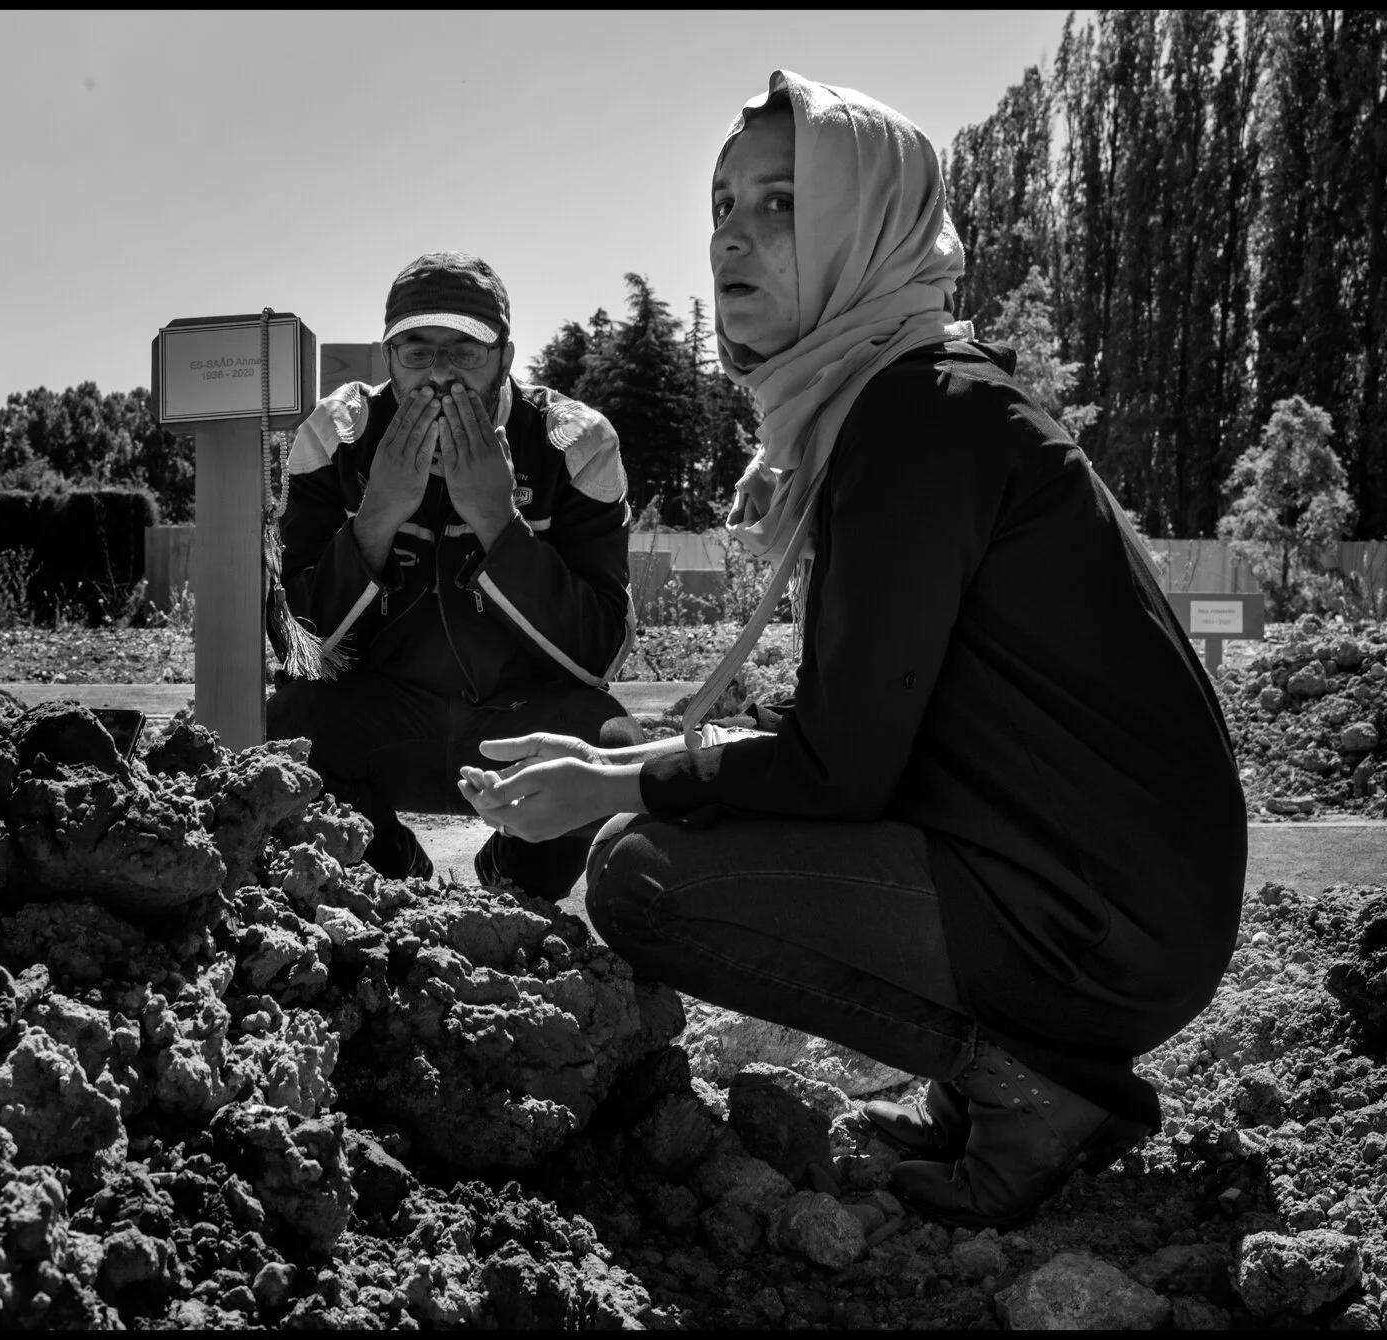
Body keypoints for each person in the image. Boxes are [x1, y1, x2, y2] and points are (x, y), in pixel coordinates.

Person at [458, 72, 1247, 1229]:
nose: (732, 230)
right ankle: (986, 1074)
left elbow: (840, 769)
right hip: (1088, 892)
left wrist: (615, 786)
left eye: (780, 202)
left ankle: (1031, 1083)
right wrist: (613, 752)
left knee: (642, 876)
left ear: (867, 223)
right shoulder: (894, 403)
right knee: (639, 783)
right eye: (722, 202)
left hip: (1094, 921)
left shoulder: (915, 421)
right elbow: (863, 727)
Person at [268, 251, 643, 900]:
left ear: (506, 356)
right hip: (385, 713)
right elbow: (299, 652)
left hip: (519, 716)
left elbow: (601, 654)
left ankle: (512, 876)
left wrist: (499, 524)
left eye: (464, 351)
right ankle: (388, 869)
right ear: (389, 358)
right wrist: (377, 516)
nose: (439, 376)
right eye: (417, 351)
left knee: (608, 738)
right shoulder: (334, 437)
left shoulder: (574, 444)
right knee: (283, 731)